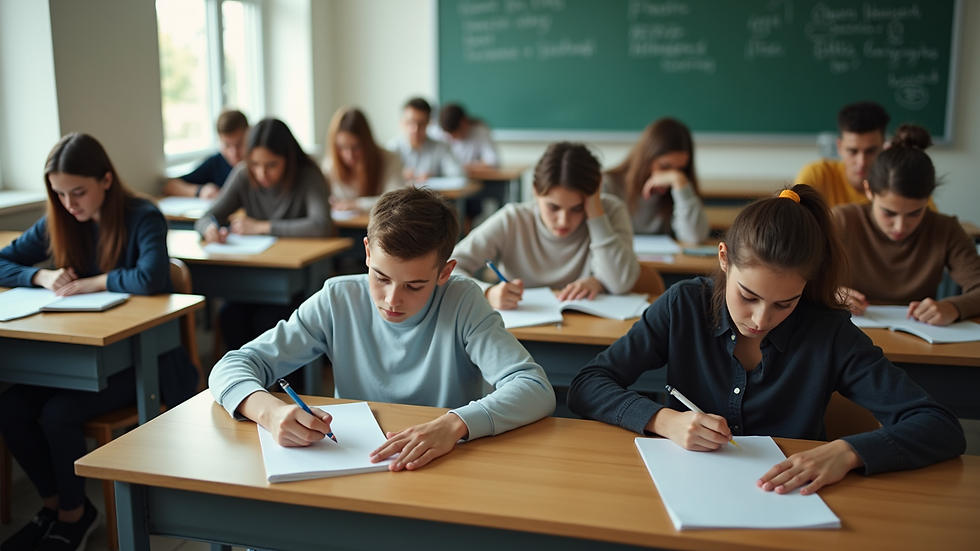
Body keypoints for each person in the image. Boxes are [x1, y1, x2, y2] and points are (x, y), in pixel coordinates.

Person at [567, 184, 965, 496]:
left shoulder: (828, 333)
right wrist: (664, 420)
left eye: (784, 303)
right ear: (724, 258)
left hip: (789, 500)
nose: (761, 319)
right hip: (686, 490)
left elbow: (940, 426)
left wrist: (849, 452)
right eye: (748, 296)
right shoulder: (684, 305)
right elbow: (588, 384)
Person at [208, 187, 555, 471]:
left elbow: (535, 387)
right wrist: (269, 411)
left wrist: (454, 424)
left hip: (443, 464)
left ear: (444, 273)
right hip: (355, 461)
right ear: (368, 253)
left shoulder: (464, 300)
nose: (392, 300)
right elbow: (231, 366)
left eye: (415, 286)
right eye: (381, 278)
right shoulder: (338, 298)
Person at [0, 133, 198, 551]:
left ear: (105, 180)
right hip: (82, 357)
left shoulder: (142, 214)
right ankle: (53, 508)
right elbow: (4, 261)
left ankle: (75, 516)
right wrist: (38, 276)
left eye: (78, 192)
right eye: (59, 194)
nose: (70, 204)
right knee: (10, 406)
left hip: (144, 359)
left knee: (58, 414)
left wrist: (96, 282)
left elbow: (153, 278)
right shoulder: (60, 219)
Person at [195, 118, 331, 352]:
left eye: (271, 164)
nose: (261, 173)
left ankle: (282, 385)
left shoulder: (307, 176)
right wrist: (210, 229)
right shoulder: (242, 174)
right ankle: (246, 384)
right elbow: (206, 216)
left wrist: (262, 227)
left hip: (296, 279)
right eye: (255, 164)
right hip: (253, 276)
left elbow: (321, 225)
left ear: (288, 159)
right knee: (230, 316)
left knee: (268, 321)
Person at [451, 142, 639, 309]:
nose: (563, 221)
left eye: (577, 208)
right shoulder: (513, 219)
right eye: (553, 207)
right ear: (535, 192)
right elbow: (448, 267)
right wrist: (487, 293)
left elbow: (620, 283)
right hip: (522, 333)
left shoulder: (610, 212)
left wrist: (596, 214)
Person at [835, 124, 980, 325]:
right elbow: (792, 276)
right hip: (848, 332)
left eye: (914, 213)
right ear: (869, 190)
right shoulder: (840, 220)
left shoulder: (945, 229)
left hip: (920, 338)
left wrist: (954, 307)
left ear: (927, 198)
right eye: (889, 213)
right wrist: (828, 293)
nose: (900, 227)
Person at [602, 118, 709, 244]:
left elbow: (695, 237)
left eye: (680, 169)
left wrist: (679, 181)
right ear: (647, 156)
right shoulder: (608, 183)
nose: (670, 174)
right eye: (665, 166)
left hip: (664, 262)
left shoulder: (678, 186)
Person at [796, 101, 890, 207]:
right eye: (852, 151)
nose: (861, 162)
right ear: (839, 147)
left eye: (870, 151)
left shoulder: (894, 183)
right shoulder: (817, 175)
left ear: (883, 146)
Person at [322, 107, 405, 213]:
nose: (349, 155)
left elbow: (395, 199)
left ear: (367, 143)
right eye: (342, 147)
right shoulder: (330, 165)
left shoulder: (390, 159)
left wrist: (357, 204)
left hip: (379, 228)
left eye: (356, 147)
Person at [162, 109, 249, 199]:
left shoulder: (260, 163)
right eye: (227, 145)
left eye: (239, 144)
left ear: (250, 134)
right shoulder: (215, 163)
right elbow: (170, 186)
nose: (233, 153)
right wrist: (200, 191)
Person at [387, 97, 464, 181]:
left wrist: (434, 178)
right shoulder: (392, 149)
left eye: (421, 123)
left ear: (429, 123)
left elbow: (459, 175)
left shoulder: (441, 147)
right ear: (401, 122)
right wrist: (399, 174)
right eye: (410, 122)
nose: (415, 129)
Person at [436, 102, 500, 169]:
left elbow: (493, 161)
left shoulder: (479, 131)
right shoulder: (441, 134)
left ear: (464, 123)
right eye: (449, 134)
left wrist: (462, 167)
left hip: (474, 177)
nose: (451, 137)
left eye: (454, 133)